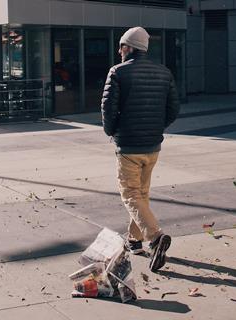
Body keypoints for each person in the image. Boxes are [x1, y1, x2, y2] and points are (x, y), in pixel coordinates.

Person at [101, 27, 180, 272]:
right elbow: (173, 109)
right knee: (141, 194)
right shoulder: (164, 72)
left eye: (122, 45)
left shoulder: (118, 72)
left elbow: (108, 109)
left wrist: (112, 132)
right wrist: (156, 127)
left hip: (129, 146)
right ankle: (134, 240)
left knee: (130, 195)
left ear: (130, 47)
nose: (119, 50)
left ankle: (155, 237)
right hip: (153, 146)